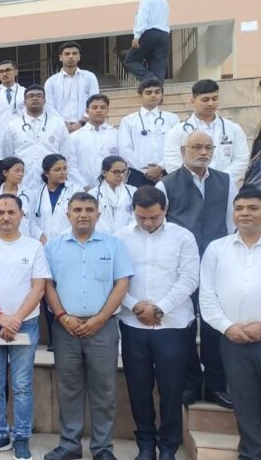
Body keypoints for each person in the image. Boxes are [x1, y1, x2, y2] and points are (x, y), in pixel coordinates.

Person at [42, 193, 134, 460]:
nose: (83, 214)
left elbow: (122, 283)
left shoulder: (114, 245)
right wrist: (62, 316)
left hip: (103, 327)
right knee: (68, 388)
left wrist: (100, 318)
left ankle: (102, 448)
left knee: (104, 389)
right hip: (65, 328)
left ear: (98, 214)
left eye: (89, 209)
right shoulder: (53, 247)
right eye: (77, 209)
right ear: (68, 214)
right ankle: (69, 445)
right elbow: (47, 284)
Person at [116, 186, 199, 460]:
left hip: (173, 325)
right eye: (142, 217)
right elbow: (115, 279)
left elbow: (189, 279)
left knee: (171, 389)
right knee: (138, 388)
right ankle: (145, 445)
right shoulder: (121, 237)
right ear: (133, 212)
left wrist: (159, 308)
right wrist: (134, 305)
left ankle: (168, 447)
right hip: (133, 323)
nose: (148, 223)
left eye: (154, 217)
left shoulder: (183, 237)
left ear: (165, 210)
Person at [156, 130, 236, 408]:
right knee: (185, 326)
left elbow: (231, 223)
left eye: (208, 147)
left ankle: (215, 386)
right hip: (182, 267)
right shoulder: (166, 184)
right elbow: (161, 225)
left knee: (215, 325)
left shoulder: (226, 181)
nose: (203, 152)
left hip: (217, 264)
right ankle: (190, 382)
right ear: (183, 151)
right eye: (197, 147)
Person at [0, 194, 49, 459]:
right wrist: (1, 317)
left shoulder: (33, 247)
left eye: (11, 212)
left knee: (22, 385)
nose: (6, 217)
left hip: (25, 323)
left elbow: (38, 288)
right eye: (0, 213)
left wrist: (16, 319)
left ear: (21, 215)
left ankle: (22, 436)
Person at [199, 185, 261, 460]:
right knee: (244, 401)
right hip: (233, 339)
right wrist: (227, 327)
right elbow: (207, 295)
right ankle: (251, 453)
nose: (245, 213)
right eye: (239, 208)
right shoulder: (217, 249)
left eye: (253, 208)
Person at [163, 79, 249, 184]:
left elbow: (242, 159)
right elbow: (172, 163)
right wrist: (196, 180)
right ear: (193, 101)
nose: (211, 103)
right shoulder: (177, 132)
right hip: (189, 186)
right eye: (205, 100)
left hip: (224, 185)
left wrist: (220, 179)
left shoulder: (233, 129)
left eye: (215, 99)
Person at [2, 84, 83, 190]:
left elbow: (67, 155)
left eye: (39, 96)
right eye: (31, 96)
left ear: (44, 101)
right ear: (24, 101)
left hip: (52, 182)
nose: (35, 98)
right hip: (22, 182)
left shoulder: (58, 124)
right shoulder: (13, 125)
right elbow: (8, 157)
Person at [118, 78, 179, 188]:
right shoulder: (128, 121)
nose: (153, 95)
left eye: (157, 92)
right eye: (148, 92)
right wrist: (145, 170)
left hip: (167, 172)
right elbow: (125, 150)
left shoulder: (172, 119)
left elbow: (176, 146)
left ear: (161, 95)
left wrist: (160, 167)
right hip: (138, 174)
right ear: (140, 96)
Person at [43, 42, 100, 131]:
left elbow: (95, 102)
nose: (71, 56)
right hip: (59, 129)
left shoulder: (90, 77)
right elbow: (48, 107)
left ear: (79, 57)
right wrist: (63, 124)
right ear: (60, 57)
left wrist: (81, 123)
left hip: (86, 127)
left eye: (74, 53)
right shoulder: (51, 82)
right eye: (67, 54)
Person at [124, 0, 171, 85]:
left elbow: (142, 18)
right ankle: (158, 88)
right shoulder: (164, 1)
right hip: (164, 34)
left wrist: (137, 36)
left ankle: (151, 79)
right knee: (158, 65)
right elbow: (166, 20)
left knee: (130, 61)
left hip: (149, 33)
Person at [0, 60, 26, 169]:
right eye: (1, 71)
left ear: (15, 72)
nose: (5, 74)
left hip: (21, 141)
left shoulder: (24, 93)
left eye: (8, 70)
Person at [71, 94, 119, 189]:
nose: (98, 110)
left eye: (102, 107)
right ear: (87, 111)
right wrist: (84, 186)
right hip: (82, 188)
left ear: (107, 110)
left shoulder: (117, 135)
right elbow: (71, 165)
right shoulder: (75, 137)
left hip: (111, 187)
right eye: (94, 107)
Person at [34, 154, 76, 243]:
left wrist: (62, 239)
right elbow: (31, 220)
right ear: (46, 173)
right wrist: (39, 235)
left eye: (64, 169)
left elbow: (78, 218)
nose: (62, 172)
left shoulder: (75, 191)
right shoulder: (36, 194)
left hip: (68, 241)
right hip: (43, 243)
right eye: (57, 169)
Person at [89, 156, 136, 235]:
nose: (121, 175)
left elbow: (136, 217)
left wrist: (124, 233)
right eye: (116, 172)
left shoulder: (133, 191)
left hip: (128, 236)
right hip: (103, 237)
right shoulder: (93, 194)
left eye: (124, 171)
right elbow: (95, 221)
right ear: (104, 173)